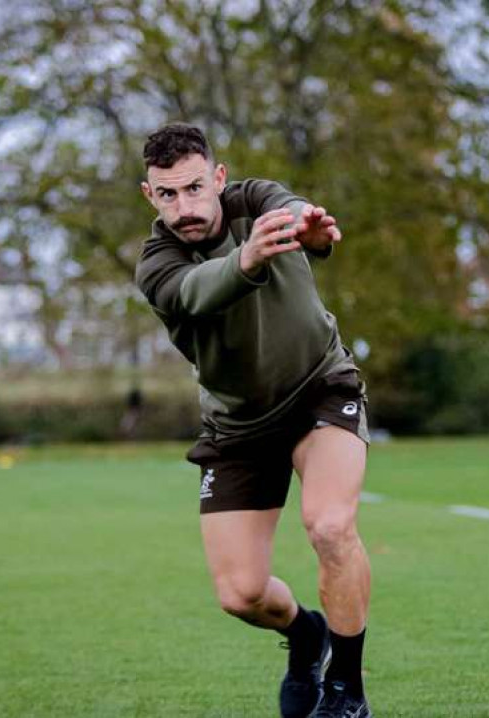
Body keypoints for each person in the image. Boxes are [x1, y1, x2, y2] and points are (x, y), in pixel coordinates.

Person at [135, 123, 372, 718]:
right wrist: (247, 257)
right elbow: (199, 290)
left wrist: (312, 232)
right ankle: (304, 634)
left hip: (320, 389)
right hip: (237, 427)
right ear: (149, 196)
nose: (185, 207)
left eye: (194, 188)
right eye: (168, 194)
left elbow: (295, 214)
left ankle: (346, 692)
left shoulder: (255, 199)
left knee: (329, 526)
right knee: (240, 594)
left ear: (218, 178)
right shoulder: (157, 266)